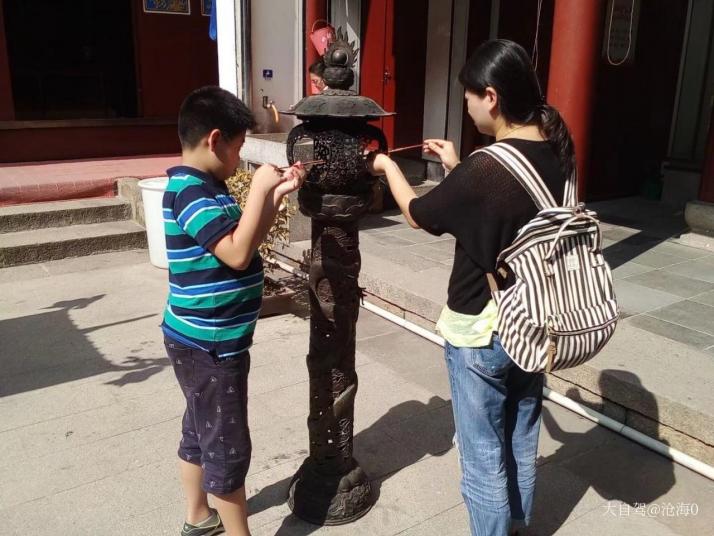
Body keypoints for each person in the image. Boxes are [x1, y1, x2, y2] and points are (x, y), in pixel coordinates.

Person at [368, 40, 575, 536]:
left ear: (491, 97)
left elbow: (419, 215)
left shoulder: (488, 166)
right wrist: (457, 167)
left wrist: (386, 167)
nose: (465, 105)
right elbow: (505, 212)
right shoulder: (559, 154)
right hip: (535, 319)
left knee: (482, 452)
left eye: (468, 97)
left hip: (482, 327)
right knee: (522, 432)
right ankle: (517, 522)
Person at [162, 86, 305, 536]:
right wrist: (260, 185)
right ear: (215, 139)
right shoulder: (189, 193)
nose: (241, 159)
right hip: (210, 345)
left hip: (204, 339)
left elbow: (246, 239)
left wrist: (275, 196)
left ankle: (198, 517)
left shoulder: (212, 188)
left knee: (198, 432)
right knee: (225, 445)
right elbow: (239, 254)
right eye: (240, 148)